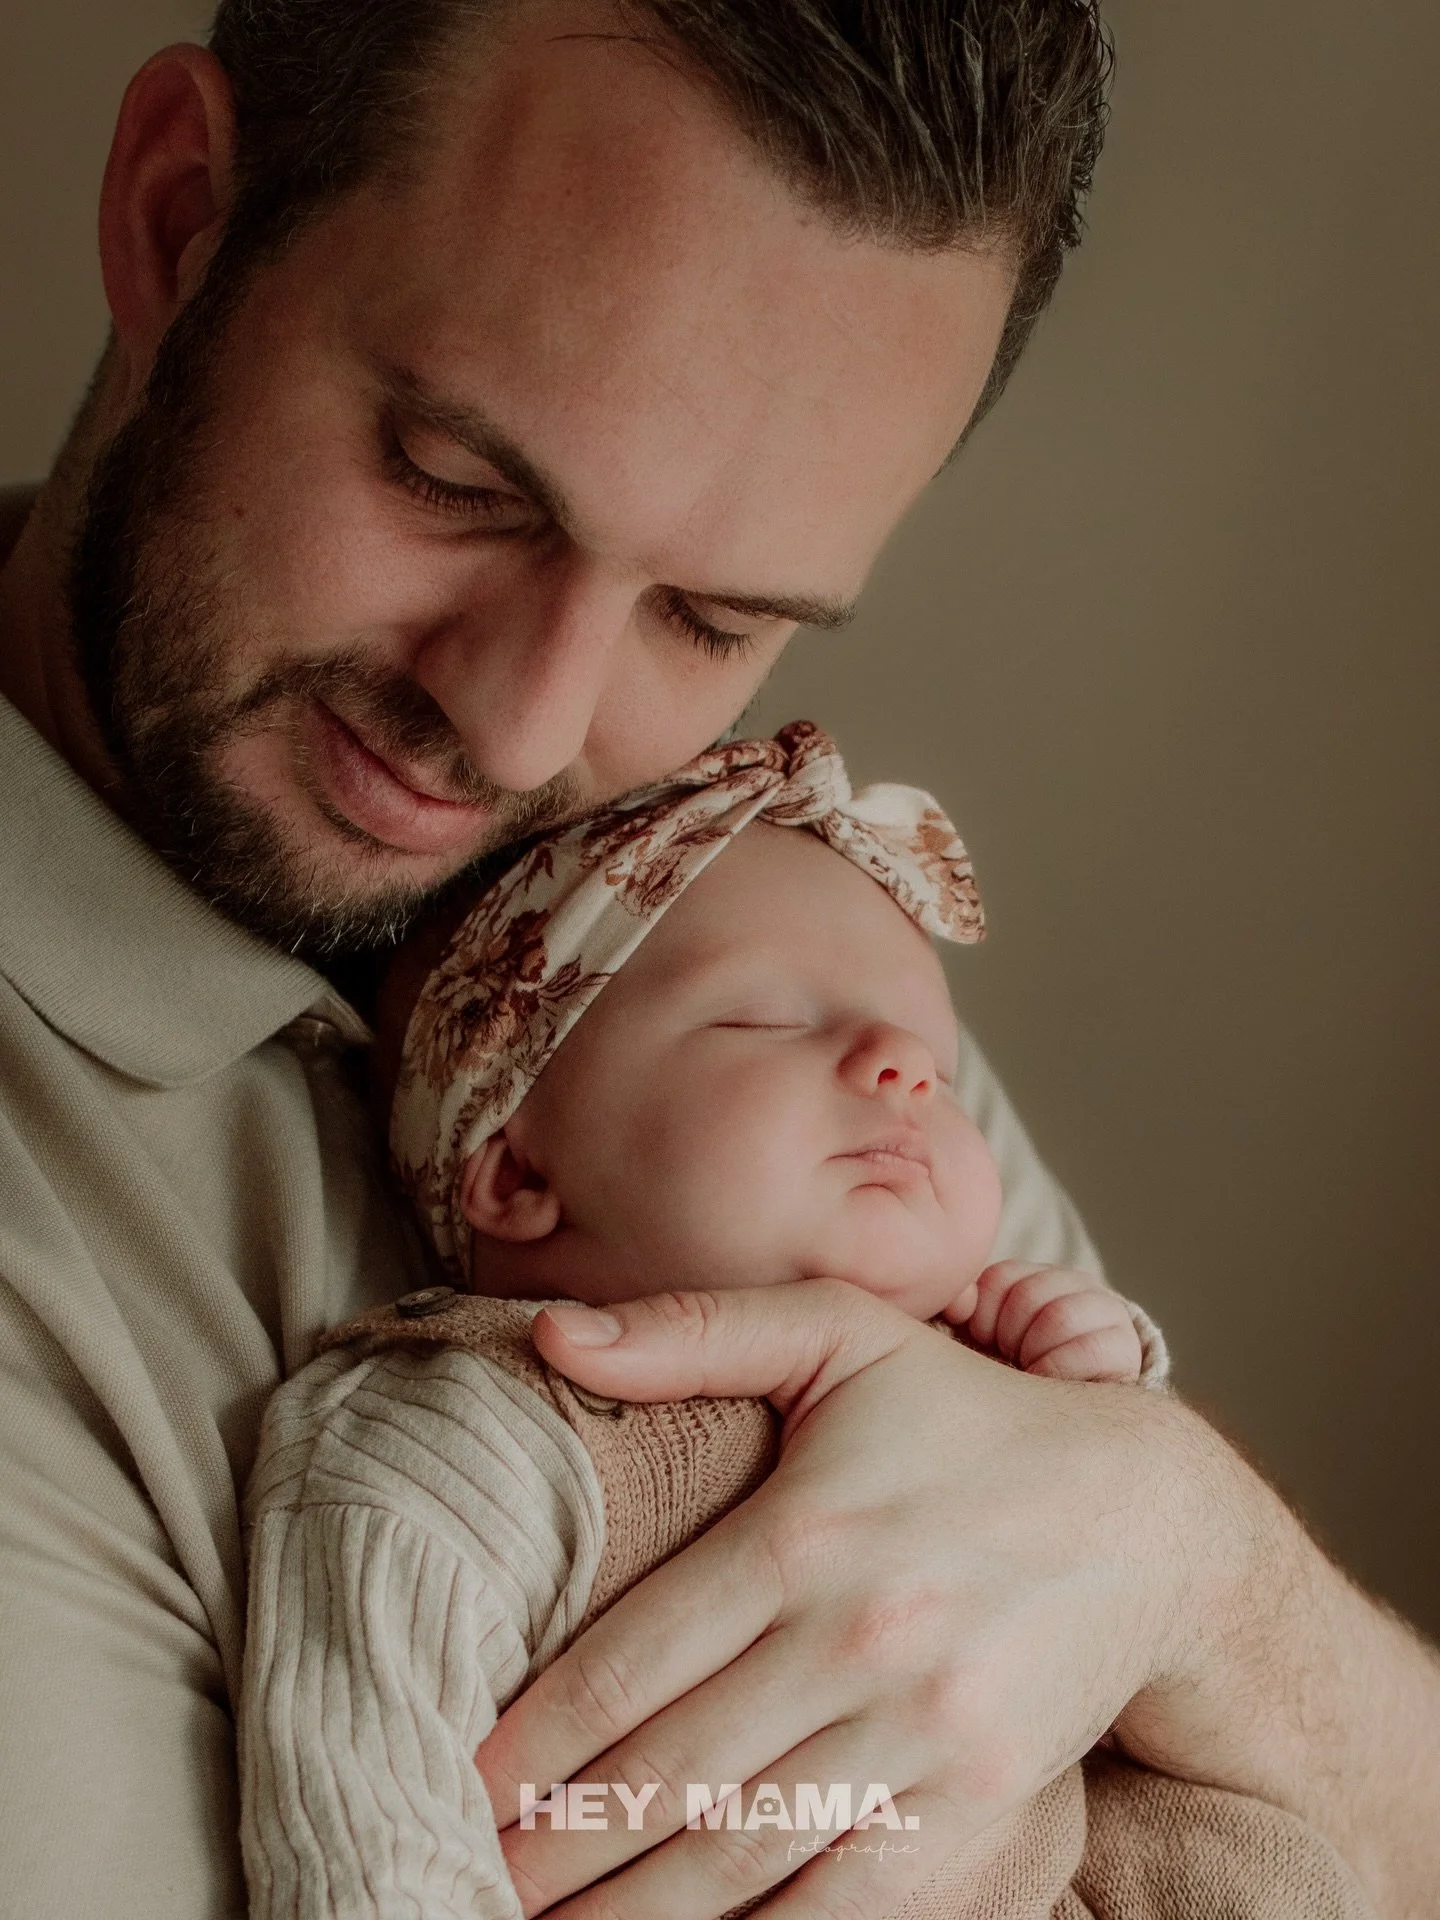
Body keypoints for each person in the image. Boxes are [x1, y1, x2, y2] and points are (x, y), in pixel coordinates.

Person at [0, 3, 1435, 1917]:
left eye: (710, 614)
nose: (522, 733)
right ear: (181, 217)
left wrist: (1191, 1556)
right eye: (457, 477)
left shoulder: (740, 955)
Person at [240, 720, 1175, 1918]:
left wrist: (1097, 1402)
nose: (902, 1063)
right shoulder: (468, 1436)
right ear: (521, 1171)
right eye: (769, 1022)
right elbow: (370, 1821)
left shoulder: (1001, 1376)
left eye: (936, 1059)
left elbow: (1145, 1638)